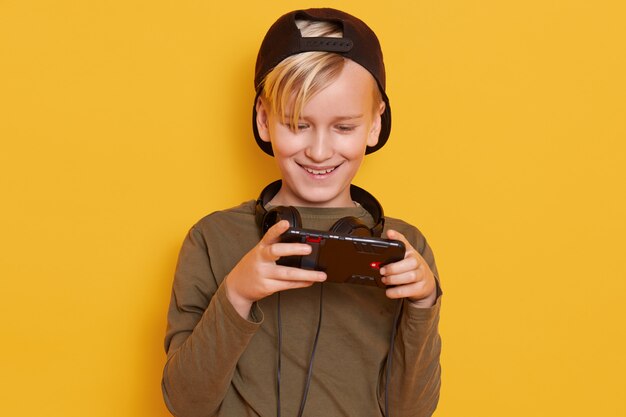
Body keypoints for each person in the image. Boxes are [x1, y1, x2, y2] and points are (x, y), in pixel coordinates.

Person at [162, 8, 442, 417]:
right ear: (263, 119)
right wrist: (237, 293)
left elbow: (412, 412)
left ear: (375, 125)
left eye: (343, 127)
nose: (319, 150)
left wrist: (424, 303)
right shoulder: (211, 238)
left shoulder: (404, 250)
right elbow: (185, 404)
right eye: (298, 124)